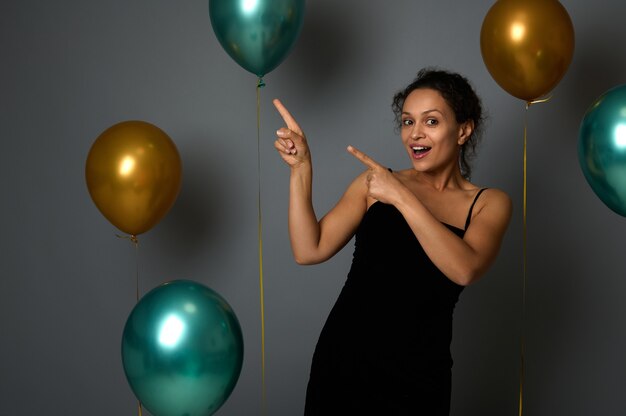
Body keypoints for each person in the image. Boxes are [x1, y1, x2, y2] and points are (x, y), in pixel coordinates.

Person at [273, 68, 512, 415]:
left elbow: (465, 269)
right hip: (344, 363)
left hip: (419, 376)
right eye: (407, 121)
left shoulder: (490, 203)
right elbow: (309, 249)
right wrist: (301, 168)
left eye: (431, 122)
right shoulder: (374, 183)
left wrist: (401, 197)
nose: (415, 134)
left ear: (463, 130)